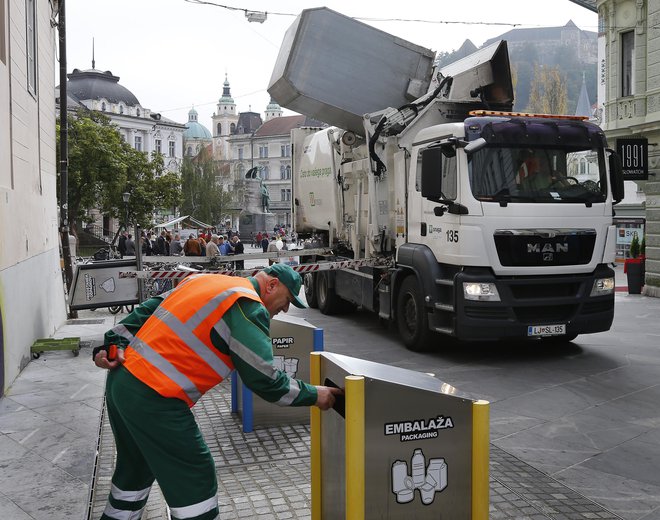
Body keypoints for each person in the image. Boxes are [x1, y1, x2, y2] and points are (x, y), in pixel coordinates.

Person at [92, 264, 342, 519]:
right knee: (195, 476)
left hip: (121, 384)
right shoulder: (247, 306)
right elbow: (266, 381)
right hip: (155, 398)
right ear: (271, 285)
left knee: (135, 468)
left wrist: (113, 343)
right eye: (288, 299)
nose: (285, 309)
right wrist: (316, 395)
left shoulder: (206, 281)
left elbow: (147, 310)